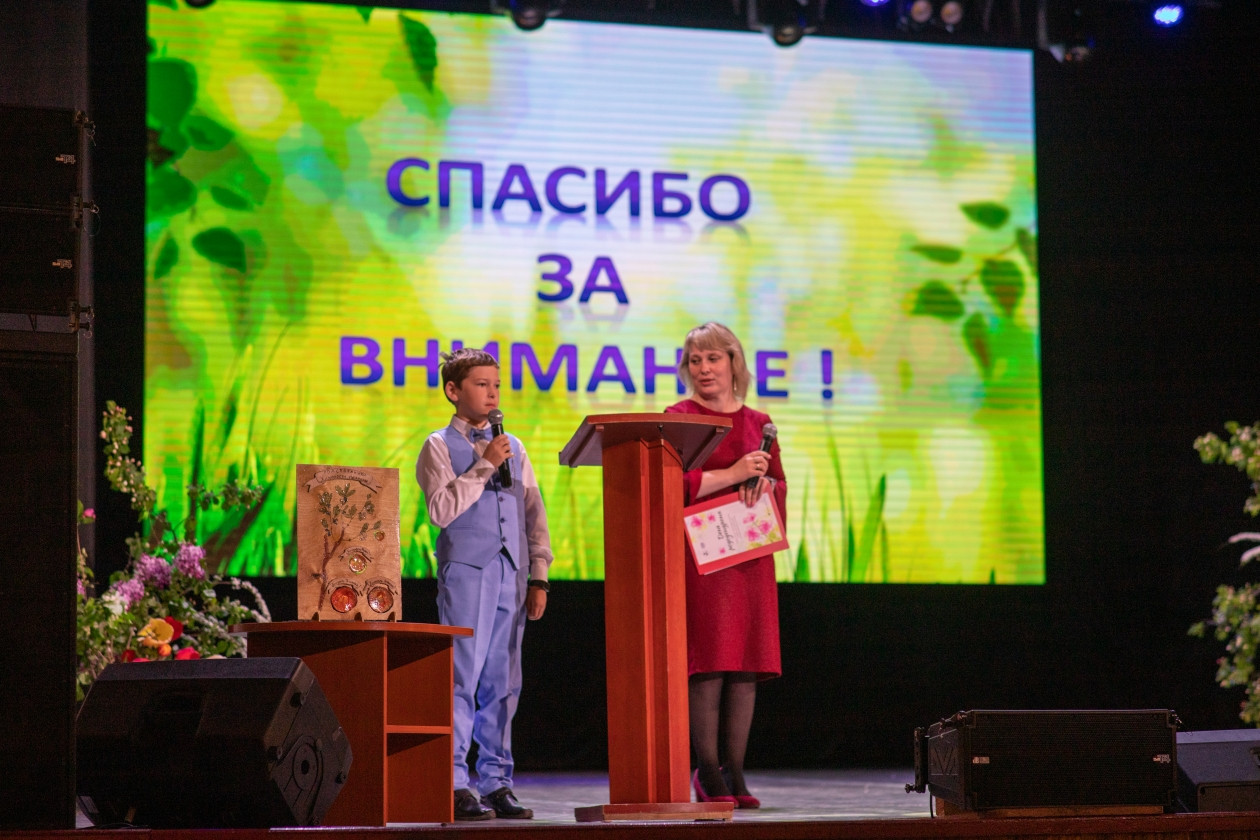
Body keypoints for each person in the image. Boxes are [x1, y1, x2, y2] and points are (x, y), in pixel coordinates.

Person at [416, 348, 553, 821]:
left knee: (504, 682)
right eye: (481, 384)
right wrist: (484, 465)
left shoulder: (512, 444)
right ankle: (455, 782)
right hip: (467, 573)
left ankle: (497, 782)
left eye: (496, 385)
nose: (492, 393)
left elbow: (533, 512)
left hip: (511, 572)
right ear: (453, 391)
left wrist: (540, 575)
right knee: (462, 676)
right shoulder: (437, 445)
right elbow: (440, 510)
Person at [665, 322, 786, 810]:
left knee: (745, 664)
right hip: (704, 554)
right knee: (711, 659)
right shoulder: (679, 417)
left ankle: (735, 768)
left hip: (749, 554)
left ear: (734, 363)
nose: (704, 368)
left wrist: (767, 486)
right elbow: (669, 481)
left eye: (713, 358)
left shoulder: (759, 421)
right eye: (695, 360)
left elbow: (779, 481)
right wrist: (732, 474)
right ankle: (708, 768)